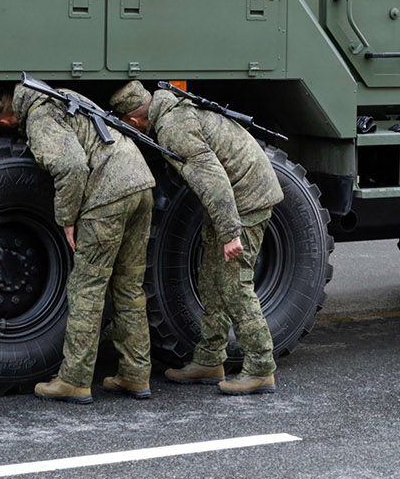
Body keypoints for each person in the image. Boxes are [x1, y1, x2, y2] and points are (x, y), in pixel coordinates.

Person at [0, 81, 156, 403]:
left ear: (3, 121)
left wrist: (67, 219)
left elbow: (71, 166)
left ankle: (74, 380)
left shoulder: (40, 116)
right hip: (140, 183)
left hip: (109, 194)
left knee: (86, 287)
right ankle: (135, 374)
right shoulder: (59, 96)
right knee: (129, 286)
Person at [109, 81, 283, 396]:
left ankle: (260, 367)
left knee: (234, 284)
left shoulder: (173, 127)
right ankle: (209, 360)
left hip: (247, 200)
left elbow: (212, 178)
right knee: (211, 279)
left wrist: (231, 234)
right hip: (235, 198)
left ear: (134, 121)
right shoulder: (169, 110)